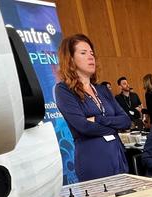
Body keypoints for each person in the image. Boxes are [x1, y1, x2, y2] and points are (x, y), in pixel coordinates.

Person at [55, 34, 131, 182]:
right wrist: (114, 127)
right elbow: (83, 127)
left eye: (91, 53)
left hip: (117, 155)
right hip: (93, 159)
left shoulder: (102, 90)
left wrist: (97, 119)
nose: (91, 57)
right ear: (70, 59)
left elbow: (126, 121)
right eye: (83, 53)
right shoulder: (64, 90)